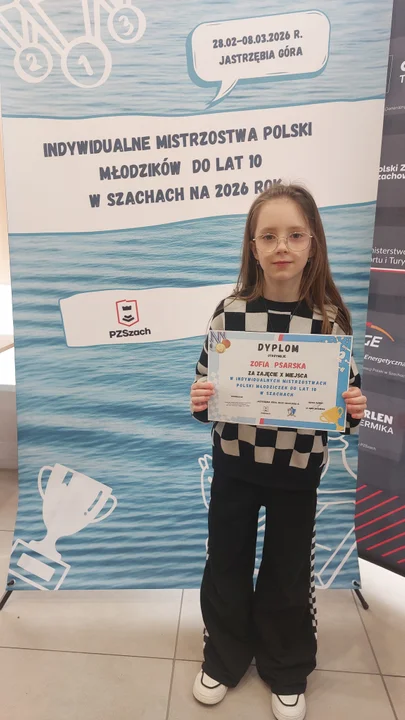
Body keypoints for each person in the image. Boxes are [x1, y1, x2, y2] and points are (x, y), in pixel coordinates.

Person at [190, 184, 367, 720]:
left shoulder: (330, 320)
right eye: (268, 236)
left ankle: (286, 667)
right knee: (226, 562)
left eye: (294, 235)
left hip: (297, 471)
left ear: (313, 244)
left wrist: (353, 407)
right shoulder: (230, 312)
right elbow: (206, 389)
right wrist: (201, 399)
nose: (281, 246)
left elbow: (345, 402)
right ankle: (223, 657)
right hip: (234, 465)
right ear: (253, 246)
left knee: (288, 572)